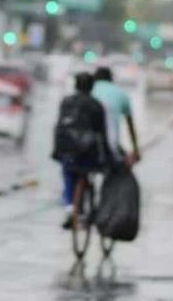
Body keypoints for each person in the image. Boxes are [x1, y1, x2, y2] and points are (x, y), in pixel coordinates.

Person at [52, 72, 111, 230]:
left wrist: (56, 151)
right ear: (92, 87)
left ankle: (70, 208)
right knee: (87, 172)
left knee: (68, 175)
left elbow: (59, 127)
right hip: (88, 152)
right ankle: (85, 210)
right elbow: (102, 134)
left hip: (67, 150)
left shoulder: (66, 102)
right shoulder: (96, 105)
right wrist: (108, 158)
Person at [92, 67, 140, 167]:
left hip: (81, 145)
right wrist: (136, 150)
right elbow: (130, 126)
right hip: (110, 146)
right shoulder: (121, 93)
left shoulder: (89, 91)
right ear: (111, 79)